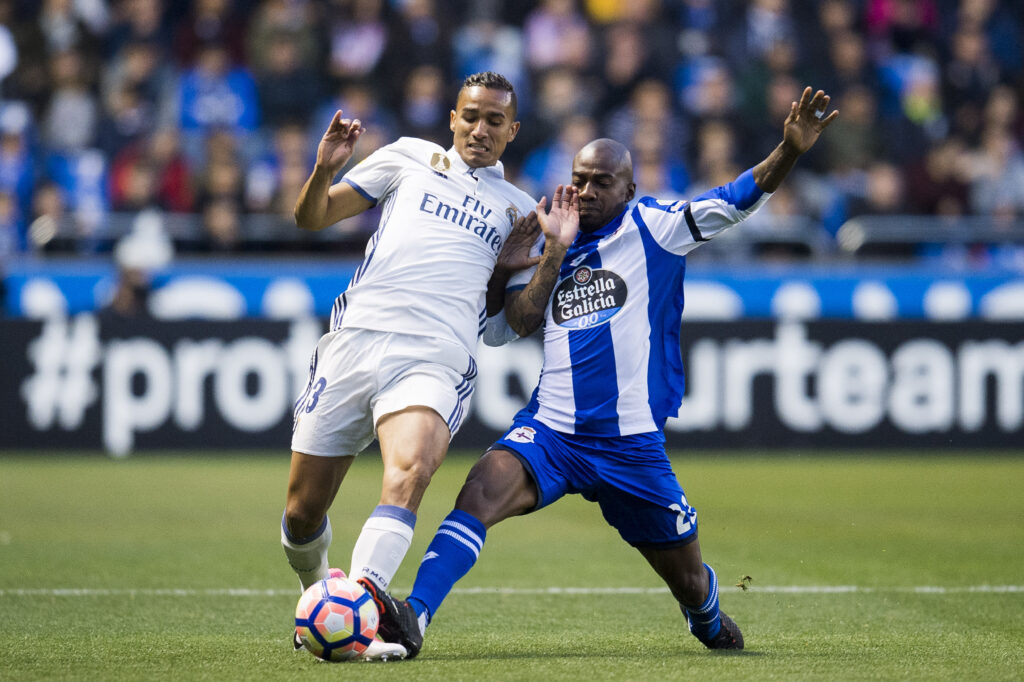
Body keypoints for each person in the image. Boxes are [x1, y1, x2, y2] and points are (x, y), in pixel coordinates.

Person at [388, 87, 839, 658]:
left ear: (630, 190)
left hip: (630, 446)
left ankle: (705, 614)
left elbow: (738, 198)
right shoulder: (554, 238)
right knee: (478, 490)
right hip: (551, 432)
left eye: (603, 182)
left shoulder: (657, 228)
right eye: (580, 178)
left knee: (689, 582)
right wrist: (541, 256)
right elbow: (515, 324)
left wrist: (789, 151)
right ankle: (415, 617)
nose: (587, 190)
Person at [280, 71, 577, 661]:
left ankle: (360, 615)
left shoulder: (519, 210)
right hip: (355, 341)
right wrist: (325, 168)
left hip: (435, 357)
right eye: (470, 116)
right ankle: (320, 600)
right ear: (452, 118)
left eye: (495, 121)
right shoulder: (407, 157)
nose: (480, 129)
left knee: (411, 469)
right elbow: (310, 218)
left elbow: (512, 323)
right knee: (301, 512)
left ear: (512, 131)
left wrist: (550, 257)